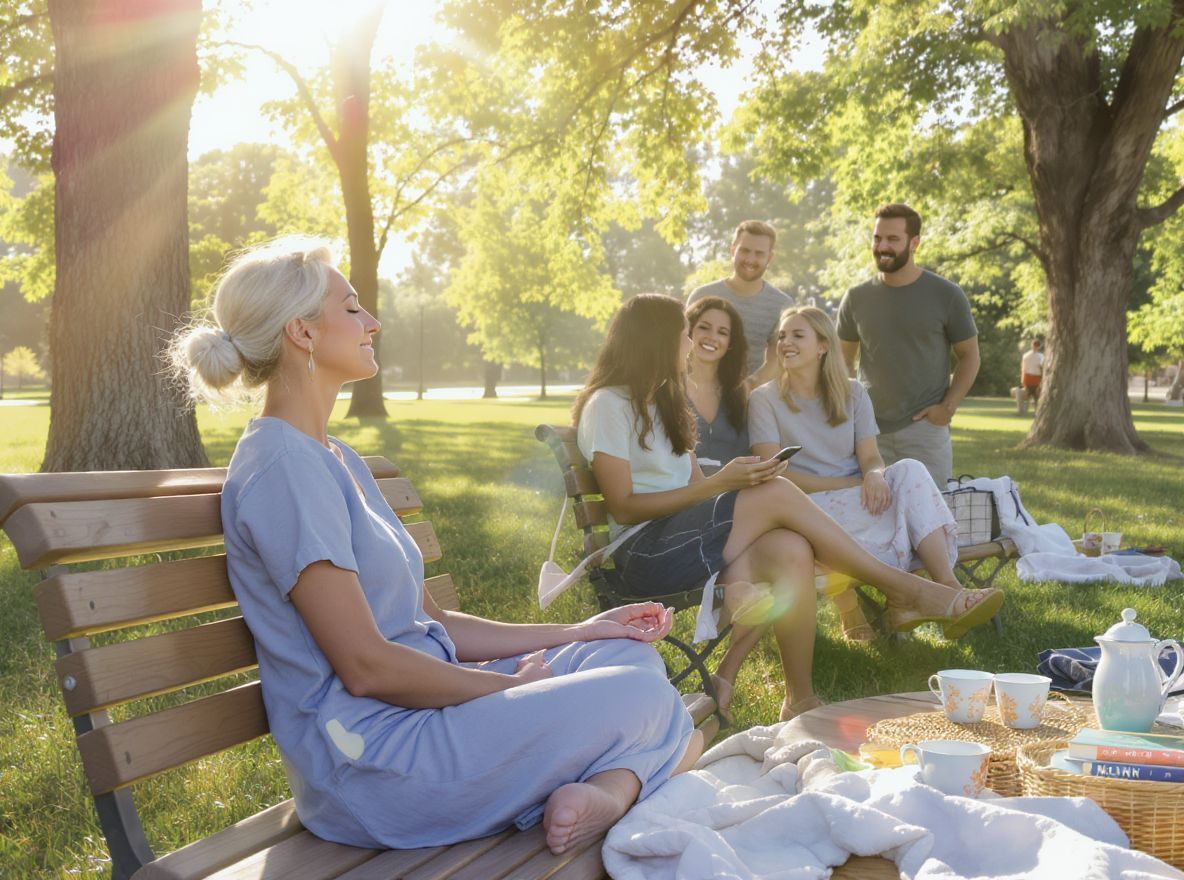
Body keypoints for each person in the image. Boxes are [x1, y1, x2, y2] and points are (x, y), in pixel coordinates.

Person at [168, 238, 702, 857]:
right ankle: (618, 787)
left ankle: (609, 790)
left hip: (430, 707)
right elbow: (366, 668)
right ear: (302, 333)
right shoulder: (282, 468)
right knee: (640, 698)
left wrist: (581, 632)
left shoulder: (333, 457)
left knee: (631, 663)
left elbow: (437, 622)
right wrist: (510, 692)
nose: (373, 322)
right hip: (375, 763)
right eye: (352, 309)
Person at [573, 294, 1003, 722]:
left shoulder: (665, 403)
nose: (689, 345)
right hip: (643, 554)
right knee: (777, 490)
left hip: (685, 539)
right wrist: (725, 486)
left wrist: (728, 485)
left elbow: (695, 488)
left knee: (792, 548)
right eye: (684, 336)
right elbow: (625, 508)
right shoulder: (609, 405)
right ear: (655, 341)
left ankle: (797, 697)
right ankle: (904, 589)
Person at [750, 307, 965, 642]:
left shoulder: (853, 392)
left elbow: (870, 456)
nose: (785, 343)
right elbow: (774, 474)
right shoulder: (764, 400)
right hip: (805, 507)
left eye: (797, 335)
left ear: (823, 345)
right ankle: (898, 600)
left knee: (910, 469)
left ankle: (947, 586)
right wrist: (854, 482)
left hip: (863, 498)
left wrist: (875, 475)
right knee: (895, 509)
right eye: (781, 337)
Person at [836, 203, 980, 487]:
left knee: (932, 517)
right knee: (873, 518)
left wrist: (947, 407)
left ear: (914, 243)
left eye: (892, 239)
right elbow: (842, 360)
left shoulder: (946, 295)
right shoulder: (856, 298)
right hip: (869, 432)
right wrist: (854, 411)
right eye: (877, 238)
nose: (882, 246)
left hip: (925, 430)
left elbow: (970, 356)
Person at [686, 221, 794, 388]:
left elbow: (776, 360)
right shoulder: (701, 295)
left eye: (759, 253)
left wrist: (746, 389)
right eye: (744, 250)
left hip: (750, 399)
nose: (750, 259)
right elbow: (683, 347)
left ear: (769, 258)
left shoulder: (782, 304)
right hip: (697, 393)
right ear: (733, 250)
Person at [685, 296, 750, 475]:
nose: (712, 337)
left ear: (730, 343)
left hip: (733, 493)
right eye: (704, 328)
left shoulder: (739, 393)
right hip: (683, 491)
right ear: (688, 332)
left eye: (722, 332)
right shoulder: (667, 387)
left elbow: (747, 455)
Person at [1021, 338, 1044, 402]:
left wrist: (1023, 380)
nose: (1035, 347)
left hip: (1031, 378)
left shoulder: (1025, 355)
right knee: (1035, 395)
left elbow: (1023, 368)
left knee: (1030, 395)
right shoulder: (1041, 356)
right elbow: (1041, 367)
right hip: (1033, 378)